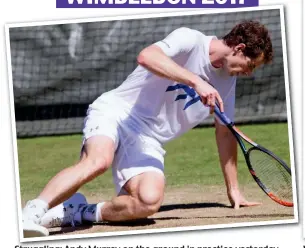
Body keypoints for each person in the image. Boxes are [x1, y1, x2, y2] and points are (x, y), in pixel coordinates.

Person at [22, 20, 273, 237]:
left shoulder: (228, 83)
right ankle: (31, 213)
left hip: (148, 138)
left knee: (147, 202)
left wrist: (234, 190)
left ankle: (79, 212)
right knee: (99, 160)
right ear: (239, 49)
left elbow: (225, 132)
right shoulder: (190, 39)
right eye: (251, 65)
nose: (249, 73)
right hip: (117, 112)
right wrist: (196, 81)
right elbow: (147, 56)